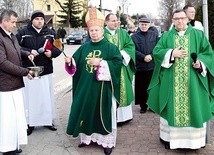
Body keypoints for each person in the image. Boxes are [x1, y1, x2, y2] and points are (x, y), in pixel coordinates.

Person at [147, 9, 214, 150]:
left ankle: (194, 142)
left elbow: (208, 53)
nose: (180, 21)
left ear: (187, 19)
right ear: (172, 21)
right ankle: (170, 140)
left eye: (182, 18)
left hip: (194, 82)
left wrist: (200, 63)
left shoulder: (198, 34)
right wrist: (171, 53)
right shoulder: (166, 36)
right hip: (171, 81)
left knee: (194, 106)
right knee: (171, 107)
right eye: (176, 19)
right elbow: (157, 52)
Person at [65, 7, 122, 155]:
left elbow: (117, 65)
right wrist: (70, 61)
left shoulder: (111, 47)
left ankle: (106, 142)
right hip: (85, 88)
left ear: (102, 31)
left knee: (103, 114)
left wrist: (102, 63)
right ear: (88, 32)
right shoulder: (84, 48)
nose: (94, 33)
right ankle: (87, 139)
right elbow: (75, 66)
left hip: (103, 89)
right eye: (91, 31)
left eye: (97, 30)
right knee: (86, 111)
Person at [16, 10, 62, 136]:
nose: (40, 21)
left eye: (41, 19)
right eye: (37, 19)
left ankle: (48, 121)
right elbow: (16, 48)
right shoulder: (23, 33)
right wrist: (28, 51)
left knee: (46, 98)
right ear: (32, 20)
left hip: (46, 70)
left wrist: (52, 53)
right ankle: (30, 123)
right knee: (31, 98)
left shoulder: (51, 33)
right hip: (30, 71)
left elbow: (59, 47)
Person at [0, 9, 34, 155]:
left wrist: (27, 54)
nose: (15, 25)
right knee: (6, 119)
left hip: (15, 84)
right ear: (4, 21)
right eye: (13, 22)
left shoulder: (11, 36)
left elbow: (16, 50)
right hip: (5, 86)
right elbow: (2, 63)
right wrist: (25, 72)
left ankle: (13, 144)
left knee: (15, 117)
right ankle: (6, 148)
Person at [104, 13, 136, 125]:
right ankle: (111, 117)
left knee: (124, 90)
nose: (116, 22)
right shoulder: (102, 33)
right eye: (112, 21)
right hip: (108, 68)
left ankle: (124, 117)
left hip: (122, 67)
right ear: (106, 22)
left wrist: (122, 53)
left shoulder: (123, 33)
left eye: (116, 20)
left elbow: (130, 46)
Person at [131, 17, 159, 113]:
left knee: (152, 87)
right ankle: (143, 106)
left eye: (145, 24)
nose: (144, 26)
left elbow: (158, 48)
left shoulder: (154, 35)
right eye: (142, 24)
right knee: (141, 88)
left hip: (152, 66)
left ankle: (152, 105)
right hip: (140, 66)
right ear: (139, 25)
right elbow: (132, 50)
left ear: (149, 25)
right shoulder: (134, 37)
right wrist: (143, 57)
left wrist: (151, 55)